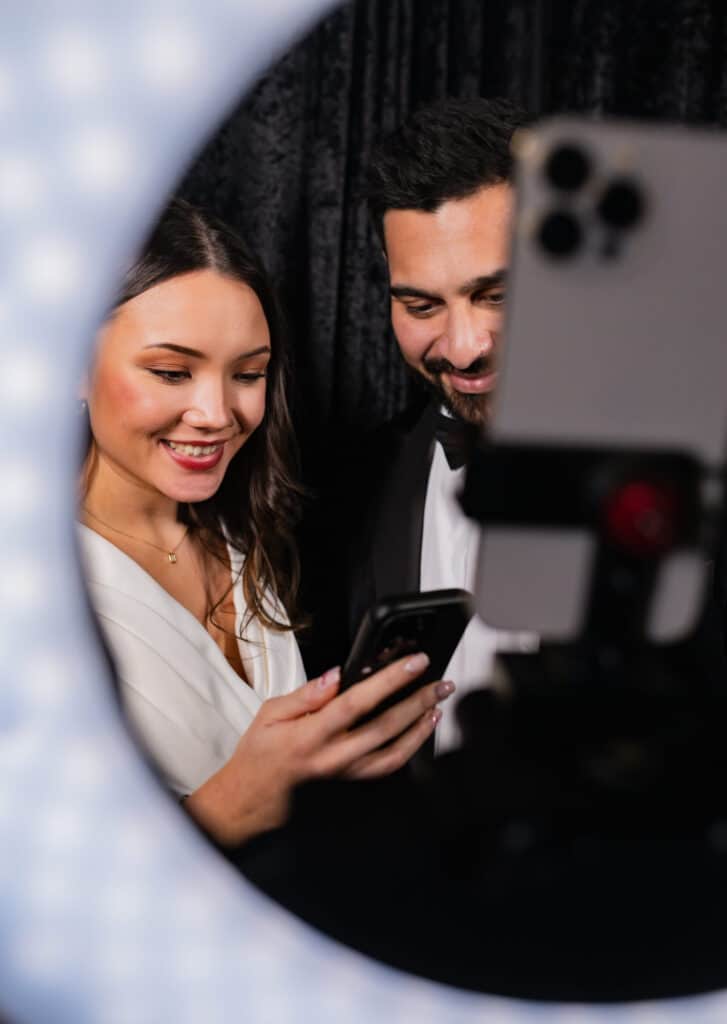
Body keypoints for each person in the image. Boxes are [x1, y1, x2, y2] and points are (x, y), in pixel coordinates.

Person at [78, 198, 455, 847]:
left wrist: (331, 763)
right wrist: (227, 807)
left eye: (249, 374)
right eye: (172, 372)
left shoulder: (241, 536)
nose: (216, 413)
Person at [304, 97, 536, 751]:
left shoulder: (685, 465)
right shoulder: (347, 486)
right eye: (420, 304)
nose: (462, 347)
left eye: (496, 295)